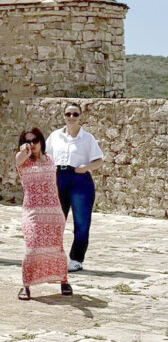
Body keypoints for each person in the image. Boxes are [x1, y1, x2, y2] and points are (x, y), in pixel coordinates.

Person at [47, 103, 104, 272]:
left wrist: (86, 168)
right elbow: (46, 156)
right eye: (68, 114)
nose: (71, 117)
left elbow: (99, 160)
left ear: (80, 116)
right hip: (58, 178)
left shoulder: (87, 138)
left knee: (81, 222)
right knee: (56, 221)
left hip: (79, 179)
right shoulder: (55, 136)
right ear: (64, 115)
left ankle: (76, 258)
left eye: (75, 114)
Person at [15, 128, 71, 299]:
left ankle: (63, 280)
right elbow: (19, 158)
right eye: (28, 141)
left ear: (41, 141)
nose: (32, 144)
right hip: (33, 211)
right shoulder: (22, 161)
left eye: (35, 141)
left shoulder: (50, 160)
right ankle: (26, 284)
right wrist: (25, 149)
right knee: (31, 249)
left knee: (57, 249)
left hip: (53, 211)